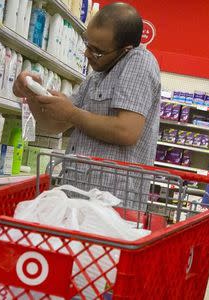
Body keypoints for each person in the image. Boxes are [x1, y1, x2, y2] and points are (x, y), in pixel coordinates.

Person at [12, 3, 160, 207]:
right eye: (87, 44)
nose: (87, 54)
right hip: (78, 197)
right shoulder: (96, 77)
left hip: (113, 206)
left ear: (125, 49)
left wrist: (72, 114)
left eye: (97, 51)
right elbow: (53, 125)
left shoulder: (139, 62)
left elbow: (127, 130)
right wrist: (31, 93)